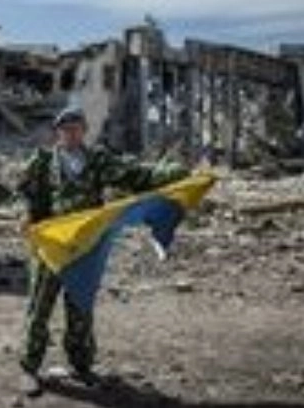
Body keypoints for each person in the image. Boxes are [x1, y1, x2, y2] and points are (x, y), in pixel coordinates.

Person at [17, 106, 188, 396]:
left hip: (86, 245)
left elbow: (134, 176)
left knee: (80, 305)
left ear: (84, 131)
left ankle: (81, 365)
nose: (71, 134)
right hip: (52, 244)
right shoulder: (43, 162)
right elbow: (25, 194)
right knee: (40, 307)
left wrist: (169, 174)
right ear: (58, 133)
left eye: (76, 128)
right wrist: (27, 219)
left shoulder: (97, 160)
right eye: (65, 129)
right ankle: (29, 370)